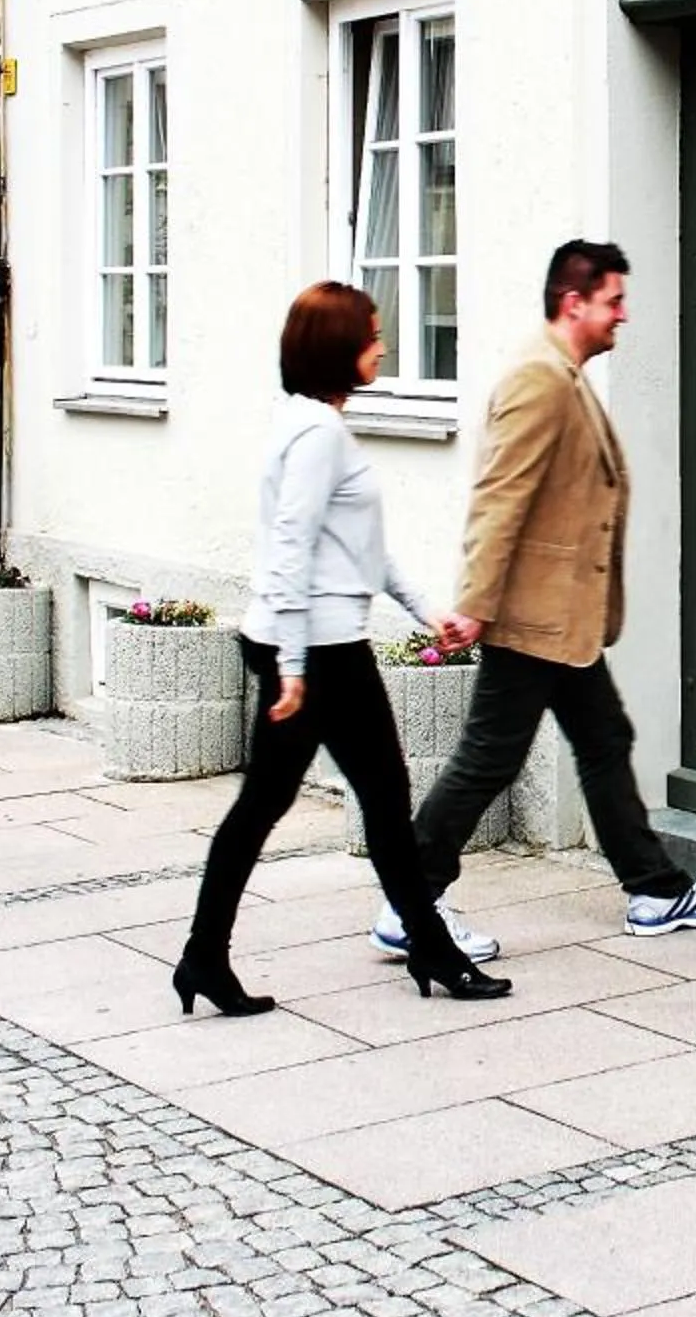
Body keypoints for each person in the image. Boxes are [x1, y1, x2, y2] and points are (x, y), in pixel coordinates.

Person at [393, 240, 696, 941]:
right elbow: (500, 496)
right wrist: (474, 602)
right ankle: (411, 903)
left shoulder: (565, 373)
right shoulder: (539, 379)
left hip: (563, 621)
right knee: (489, 758)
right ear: (573, 301)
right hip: (531, 616)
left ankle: (654, 891)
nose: (623, 314)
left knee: (604, 739)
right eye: (614, 300)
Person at [174, 281, 512, 1016]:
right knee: (372, 806)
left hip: (314, 644)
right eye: (372, 333)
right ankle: (431, 952)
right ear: (338, 348)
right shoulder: (320, 435)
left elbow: (356, 548)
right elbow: (291, 546)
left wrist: (430, 614)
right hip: (320, 653)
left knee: (287, 806)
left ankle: (206, 957)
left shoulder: (305, 423)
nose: (382, 344)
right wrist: (294, 666)